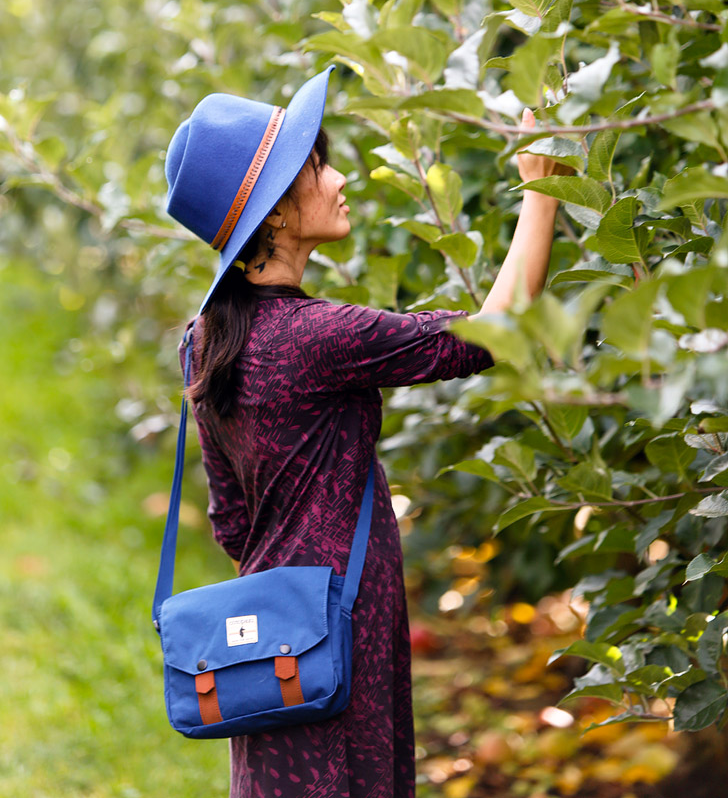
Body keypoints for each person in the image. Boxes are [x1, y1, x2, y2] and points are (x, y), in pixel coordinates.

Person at [164, 66, 569, 798]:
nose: (340, 177)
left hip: (278, 631)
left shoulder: (205, 341)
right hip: (343, 616)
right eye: (318, 165)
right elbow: (494, 334)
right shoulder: (317, 336)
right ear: (277, 215)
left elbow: (231, 518)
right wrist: (542, 187)